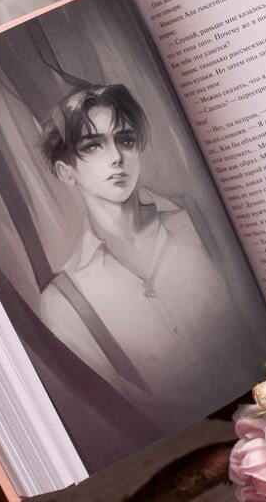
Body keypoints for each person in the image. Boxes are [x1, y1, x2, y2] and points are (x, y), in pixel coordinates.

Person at [40, 84, 232, 430]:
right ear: (66, 172)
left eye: (126, 140)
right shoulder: (64, 302)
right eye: (93, 146)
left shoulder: (201, 220)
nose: (117, 157)